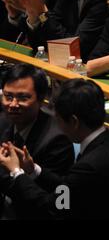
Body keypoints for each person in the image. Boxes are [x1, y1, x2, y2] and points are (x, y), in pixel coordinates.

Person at [0, 78, 109, 219]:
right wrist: (32, 169)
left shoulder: (91, 165)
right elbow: (69, 188)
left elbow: (52, 208)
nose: (56, 125)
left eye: (57, 118)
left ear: (74, 122)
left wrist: (16, 172)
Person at [0, 63, 74, 219]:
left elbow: (61, 200)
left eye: (23, 98)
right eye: (8, 96)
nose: (13, 104)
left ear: (41, 100)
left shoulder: (57, 139)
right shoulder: (2, 122)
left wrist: (19, 171)